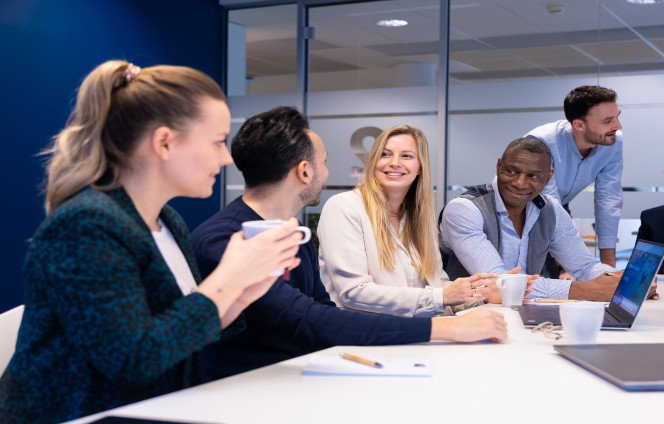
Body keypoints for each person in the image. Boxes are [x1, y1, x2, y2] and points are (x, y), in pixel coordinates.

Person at [0, 61, 305, 423]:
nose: (226, 158)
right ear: (164, 142)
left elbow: (174, 335)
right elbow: (133, 359)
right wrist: (229, 279)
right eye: (219, 141)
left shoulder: (167, 222)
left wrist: (244, 290)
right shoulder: (86, 225)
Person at [190, 108, 508, 379]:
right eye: (325, 162)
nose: (327, 173)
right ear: (304, 171)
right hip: (246, 388)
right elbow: (310, 319)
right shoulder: (226, 239)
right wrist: (447, 329)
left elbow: (320, 313)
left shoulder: (290, 231)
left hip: (296, 373)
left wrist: (469, 302)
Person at [318, 125, 517, 318]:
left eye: (407, 156)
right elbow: (353, 292)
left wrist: (481, 293)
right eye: (385, 154)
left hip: (410, 335)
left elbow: (436, 285)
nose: (394, 162)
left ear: (420, 167)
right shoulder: (343, 207)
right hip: (359, 338)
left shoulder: (420, 218)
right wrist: (442, 296)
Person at [439, 136, 633, 302]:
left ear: (548, 177)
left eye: (533, 176)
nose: (519, 183)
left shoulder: (551, 210)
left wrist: (623, 281)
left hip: (526, 315)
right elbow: (498, 283)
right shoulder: (464, 209)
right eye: (511, 171)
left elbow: (584, 266)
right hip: (467, 317)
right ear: (498, 166)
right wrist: (587, 290)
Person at [526, 85, 623, 269]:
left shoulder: (613, 141)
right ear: (578, 125)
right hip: (522, 209)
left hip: (558, 205)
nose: (618, 126)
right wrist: (567, 267)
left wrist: (608, 266)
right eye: (608, 121)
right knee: (534, 278)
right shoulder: (541, 142)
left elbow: (608, 198)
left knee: (574, 276)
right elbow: (549, 205)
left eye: (618, 117)